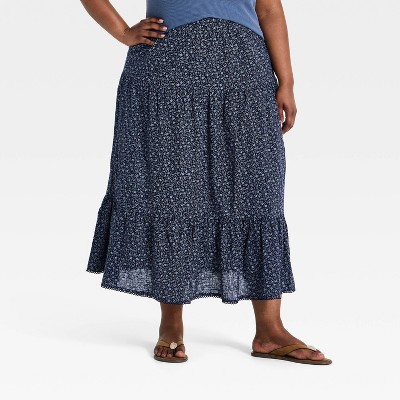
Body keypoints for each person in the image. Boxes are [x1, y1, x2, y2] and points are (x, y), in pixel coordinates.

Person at [81, 0, 332, 365]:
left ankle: (269, 331)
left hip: (246, 73)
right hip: (168, 74)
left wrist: (287, 81)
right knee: (171, 194)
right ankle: (171, 324)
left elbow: (268, 9)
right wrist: (123, 32)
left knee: (258, 191)